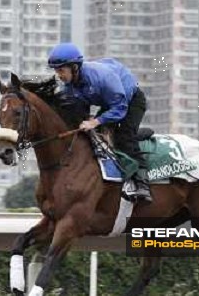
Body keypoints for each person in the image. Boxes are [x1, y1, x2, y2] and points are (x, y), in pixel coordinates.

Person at [48, 42, 152, 203]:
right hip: (109, 102)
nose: (58, 75)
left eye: (61, 70)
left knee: (124, 139)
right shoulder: (69, 85)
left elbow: (120, 108)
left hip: (130, 101)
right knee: (90, 135)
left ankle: (142, 184)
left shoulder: (102, 77)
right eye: (56, 71)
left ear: (74, 67)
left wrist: (95, 121)